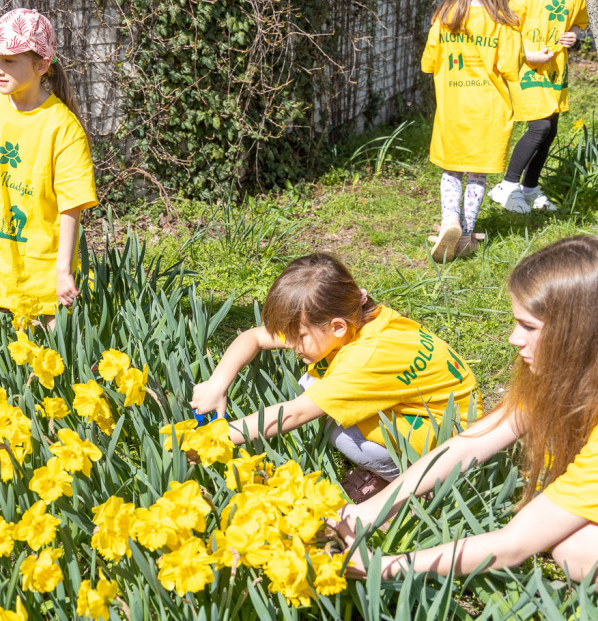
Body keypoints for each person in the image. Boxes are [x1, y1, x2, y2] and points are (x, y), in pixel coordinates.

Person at [337, 235, 598, 582]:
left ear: (579, 333)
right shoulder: (560, 375)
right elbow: (471, 443)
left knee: (575, 551)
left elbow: (512, 546)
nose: (513, 338)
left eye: (529, 327)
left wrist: (383, 568)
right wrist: (368, 511)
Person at [191, 254, 478, 501]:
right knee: (318, 390)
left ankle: (414, 488)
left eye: (298, 337)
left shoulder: (364, 360)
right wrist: (217, 384)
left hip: (446, 444)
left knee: (336, 429)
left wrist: (211, 439)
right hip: (443, 414)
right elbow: (253, 337)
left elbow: (294, 414)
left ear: (337, 327)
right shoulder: (357, 315)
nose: (290, 344)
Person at [0, 8, 98, 331]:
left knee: (60, 349)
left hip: (42, 258)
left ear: (41, 65)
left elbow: (71, 207)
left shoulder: (62, 127)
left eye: (9, 61)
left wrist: (63, 270)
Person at [421, 0, 523, 262]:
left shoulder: (444, 16)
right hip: (488, 113)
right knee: (477, 174)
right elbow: (510, 68)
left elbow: (428, 63)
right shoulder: (503, 19)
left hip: (453, 109)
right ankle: (465, 235)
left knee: (451, 169)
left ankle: (450, 219)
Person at [488, 0, 589, 213]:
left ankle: (529, 187)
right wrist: (528, 55)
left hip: (554, 66)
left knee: (550, 130)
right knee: (540, 127)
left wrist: (573, 33)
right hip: (523, 66)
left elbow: (579, 20)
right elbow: (504, 29)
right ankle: (506, 186)